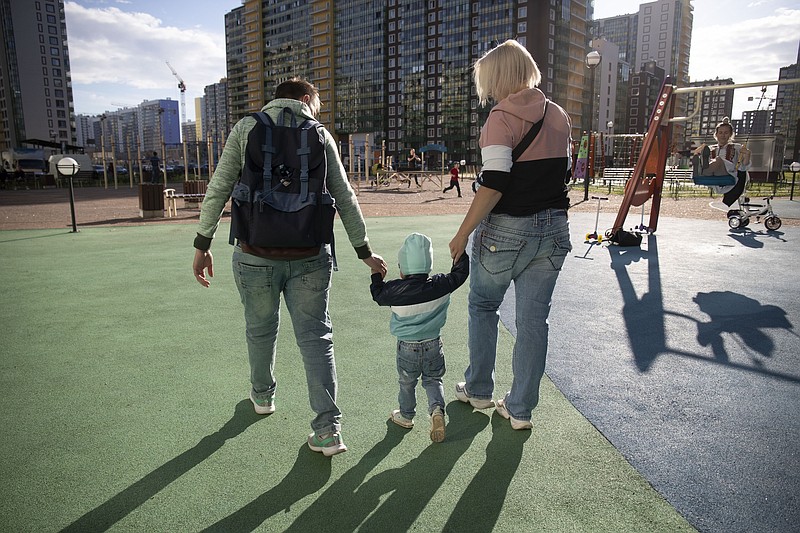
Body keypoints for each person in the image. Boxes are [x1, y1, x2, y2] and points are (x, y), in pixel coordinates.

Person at [192, 78, 388, 457]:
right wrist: (364, 250)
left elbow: (219, 186)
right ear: (304, 98)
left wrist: (203, 244)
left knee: (260, 329)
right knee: (316, 339)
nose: (317, 109)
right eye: (316, 102)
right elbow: (345, 195)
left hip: (254, 253)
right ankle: (328, 429)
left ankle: (263, 397)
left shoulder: (246, 127)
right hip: (311, 255)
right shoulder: (319, 133)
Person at [448, 39, 572, 430]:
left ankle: (479, 389)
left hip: (507, 230)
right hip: (553, 228)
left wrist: (461, 233)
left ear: (498, 76)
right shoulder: (559, 115)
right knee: (534, 322)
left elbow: (496, 181)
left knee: (483, 307)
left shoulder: (500, 119)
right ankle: (520, 409)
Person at [370, 233, 469, 442]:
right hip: (434, 344)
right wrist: (460, 255)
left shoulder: (393, 291)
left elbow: (377, 294)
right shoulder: (440, 285)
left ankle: (406, 416)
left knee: (407, 383)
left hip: (407, 347)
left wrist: (376, 274)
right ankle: (437, 411)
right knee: (433, 379)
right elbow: (459, 275)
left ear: (403, 268)